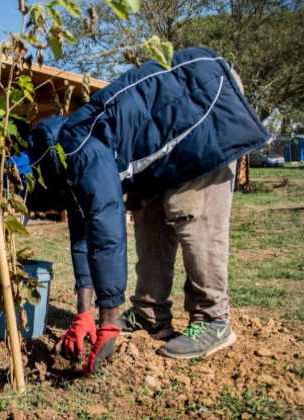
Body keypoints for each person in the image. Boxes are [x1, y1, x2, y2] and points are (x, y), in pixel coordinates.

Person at [29, 48, 269, 371]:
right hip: (168, 128)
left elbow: (106, 227)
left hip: (202, 103)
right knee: (147, 212)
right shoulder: (63, 157)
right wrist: (84, 313)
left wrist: (109, 321)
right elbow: (82, 230)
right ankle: (150, 314)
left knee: (189, 209)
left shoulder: (81, 149)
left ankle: (213, 319)